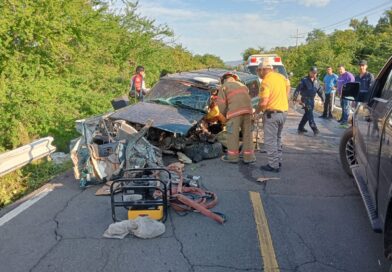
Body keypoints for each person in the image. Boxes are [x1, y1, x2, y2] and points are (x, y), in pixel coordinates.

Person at [256, 60, 290, 172]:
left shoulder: (266, 82)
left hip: (272, 114)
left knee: (270, 140)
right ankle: (278, 161)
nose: (258, 73)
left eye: (258, 70)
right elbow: (288, 88)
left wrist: (257, 112)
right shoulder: (281, 77)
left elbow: (263, 102)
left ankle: (273, 165)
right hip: (283, 112)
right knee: (277, 138)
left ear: (263, 70)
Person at [216, 72, 255, 164]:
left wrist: (225, 115)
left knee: (232, 135)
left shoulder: (224, 86)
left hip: (234, 113)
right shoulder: (243, 86)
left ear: (224, 79)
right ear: (235, 78)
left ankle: (233, 157)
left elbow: (221, 104)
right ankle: (249, 158)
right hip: (248, 112)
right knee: (248, 135)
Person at [293, 66, 324, 136]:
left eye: (315, 73)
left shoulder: (317, 81)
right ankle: (314, 128)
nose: (314, 74)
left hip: (312, 99)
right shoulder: (304, 80)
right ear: (309, 72)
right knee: (310, 114)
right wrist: (295, 98)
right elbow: (298, 89)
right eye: (313, 73)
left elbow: (320, 91)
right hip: (305, 99)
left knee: (307, 114)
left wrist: (323, 99)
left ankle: (300, 127)